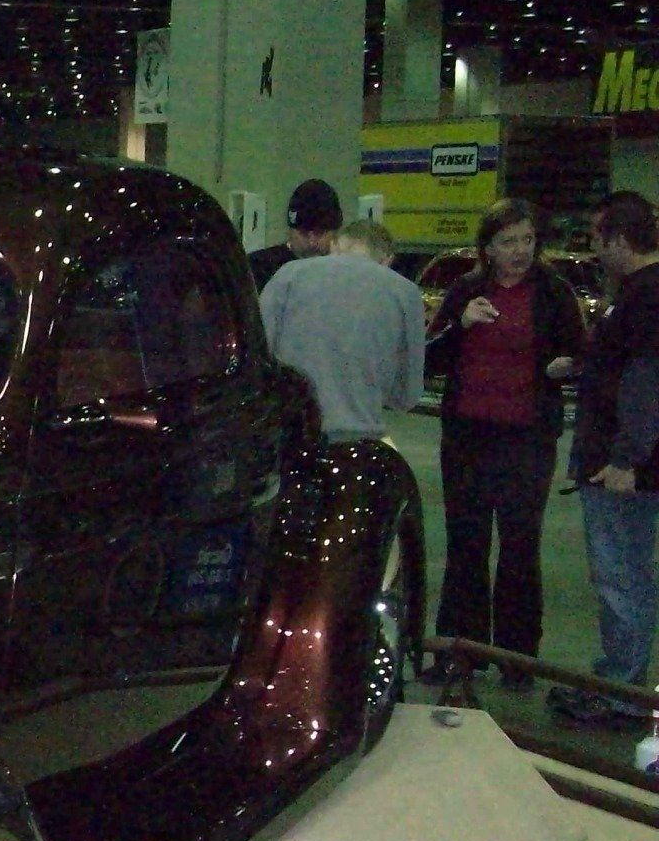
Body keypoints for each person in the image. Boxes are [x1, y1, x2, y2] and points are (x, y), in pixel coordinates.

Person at [422, 199, 586, 688]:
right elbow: (431, 359)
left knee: (519, 545)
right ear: (488, 248)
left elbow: (579, 350)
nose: (520, 251)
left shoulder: (553, 292)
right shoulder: (466, 290)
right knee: (466, 544)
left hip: (526, 438)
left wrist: (565, 366)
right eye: (509, 242)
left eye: (528, 240)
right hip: (469, 437)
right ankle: (460, 652)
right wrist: (461, 325)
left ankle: (519, 659)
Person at [547, 191, 659, 725]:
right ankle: (620, 678)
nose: (593, 248)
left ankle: (622, 692)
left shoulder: (646, 297)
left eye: (596, 236)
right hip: (620, 458)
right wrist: (582, 366)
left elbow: (645, 386)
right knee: (624, 572)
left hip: (621, 467)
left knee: (621, 575)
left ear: (619, 239)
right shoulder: (635, 294)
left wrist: (627, 459)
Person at [259, 218, 426, 443]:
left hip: (290, 433)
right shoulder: (405, 292)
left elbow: (257, 354)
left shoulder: (288, 275)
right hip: (360, 440)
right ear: (387, 259)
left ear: (335, 245)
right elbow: (408, 395)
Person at [249, 178, 342, 293]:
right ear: (291, 230)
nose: (312, 242)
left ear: (334, 233)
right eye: (304, 233)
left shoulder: (343, 275)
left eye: (319, 233)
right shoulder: (258, 269)